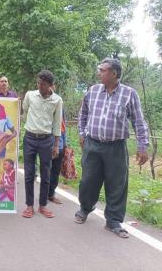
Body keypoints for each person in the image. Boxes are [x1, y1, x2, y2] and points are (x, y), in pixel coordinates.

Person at [75, 58, 149, 239]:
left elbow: (138, 121)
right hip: (92, 144)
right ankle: (85, 208)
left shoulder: (129, 94)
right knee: (88, 180)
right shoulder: (92, 91)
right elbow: (83, 113)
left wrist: (142, 146)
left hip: (116, 147)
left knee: (117, 184)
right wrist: (82, 133)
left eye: (102, 70)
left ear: (114, 74)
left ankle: (113, 221)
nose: (99, 73)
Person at [21, 70, 62, 219]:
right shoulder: (30, 95)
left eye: (43, 84)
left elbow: (57, 124)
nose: (39, 86)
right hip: (30, 138)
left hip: (47, 140)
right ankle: (29, 206)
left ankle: (43, 206)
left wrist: (56, 145)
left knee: (46, 174)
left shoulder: (57, 100)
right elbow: (23, 110)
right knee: (29, 174)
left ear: (51, 85)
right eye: (38, 83)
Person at [48, 108, 67, 204]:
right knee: (47, 170)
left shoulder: (61, 106)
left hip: (59, 145)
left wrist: (65, 143)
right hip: (47, 144)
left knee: (55, 171)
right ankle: (45, 194)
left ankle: (51, 194)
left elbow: (63, 126)